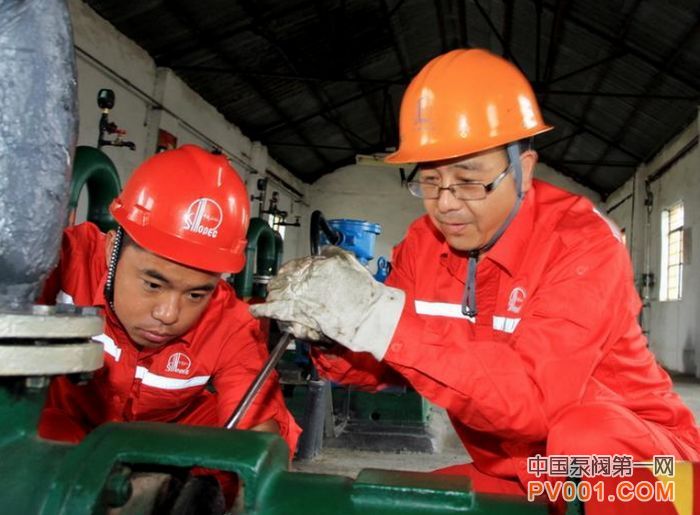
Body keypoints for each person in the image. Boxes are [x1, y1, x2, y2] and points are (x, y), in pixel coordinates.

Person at [251, 49, 699, 510]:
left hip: (650, 476)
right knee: (392, 503)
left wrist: (380, 319)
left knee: (586, 436)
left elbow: (532, 402)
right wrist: (330, 337)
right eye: (429, 180)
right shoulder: (423, 246)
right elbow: (387, 366)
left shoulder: (582, 244)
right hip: (530, 474)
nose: (444, 203)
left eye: (468, 180)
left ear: (522, 170)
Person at [38, 144, 301, 456]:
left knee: (236, 444)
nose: (168, 314)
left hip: (159, 450)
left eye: (195, 294)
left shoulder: (229, 321)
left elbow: (260, 428)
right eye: (152, 284)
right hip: (62, 439)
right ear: (112, 249)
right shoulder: (58, 264)